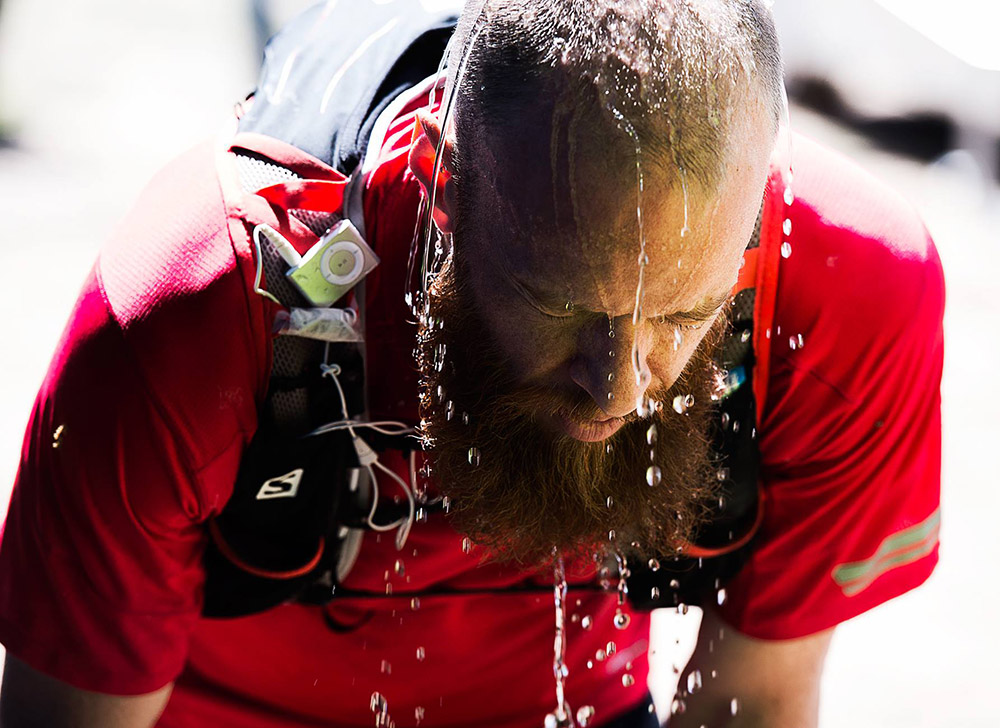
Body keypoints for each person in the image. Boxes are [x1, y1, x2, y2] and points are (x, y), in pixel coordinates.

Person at [0, 1, 944, 727]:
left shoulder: (841, 299)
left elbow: (756, 699)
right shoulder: (196, 312)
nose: (615, 386)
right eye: (563, 304)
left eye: (682, 314)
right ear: (446, 188)